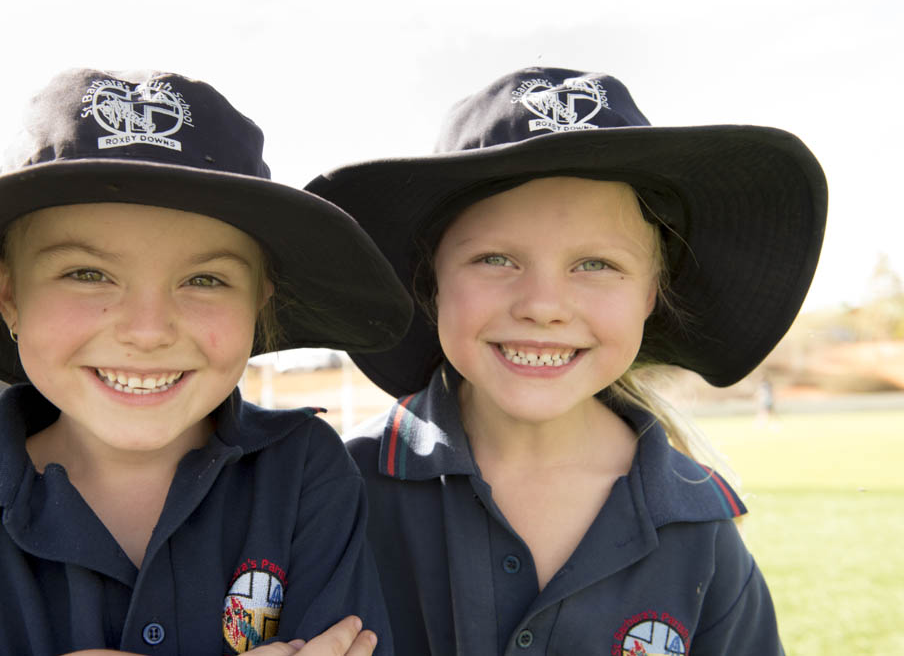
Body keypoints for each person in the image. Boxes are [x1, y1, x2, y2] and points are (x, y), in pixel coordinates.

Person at [306, 67, 827, 655]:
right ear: (430, 285)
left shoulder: (701, 533)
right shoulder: (329, 493)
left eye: (596, 265)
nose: (544, 307)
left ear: (651, 294)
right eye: (496, 259)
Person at [0, 68, 413, 655]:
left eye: (204, 279)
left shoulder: (302, 470)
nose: (147, 332)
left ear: (259, 298)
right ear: (9, 293)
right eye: (87, 273)